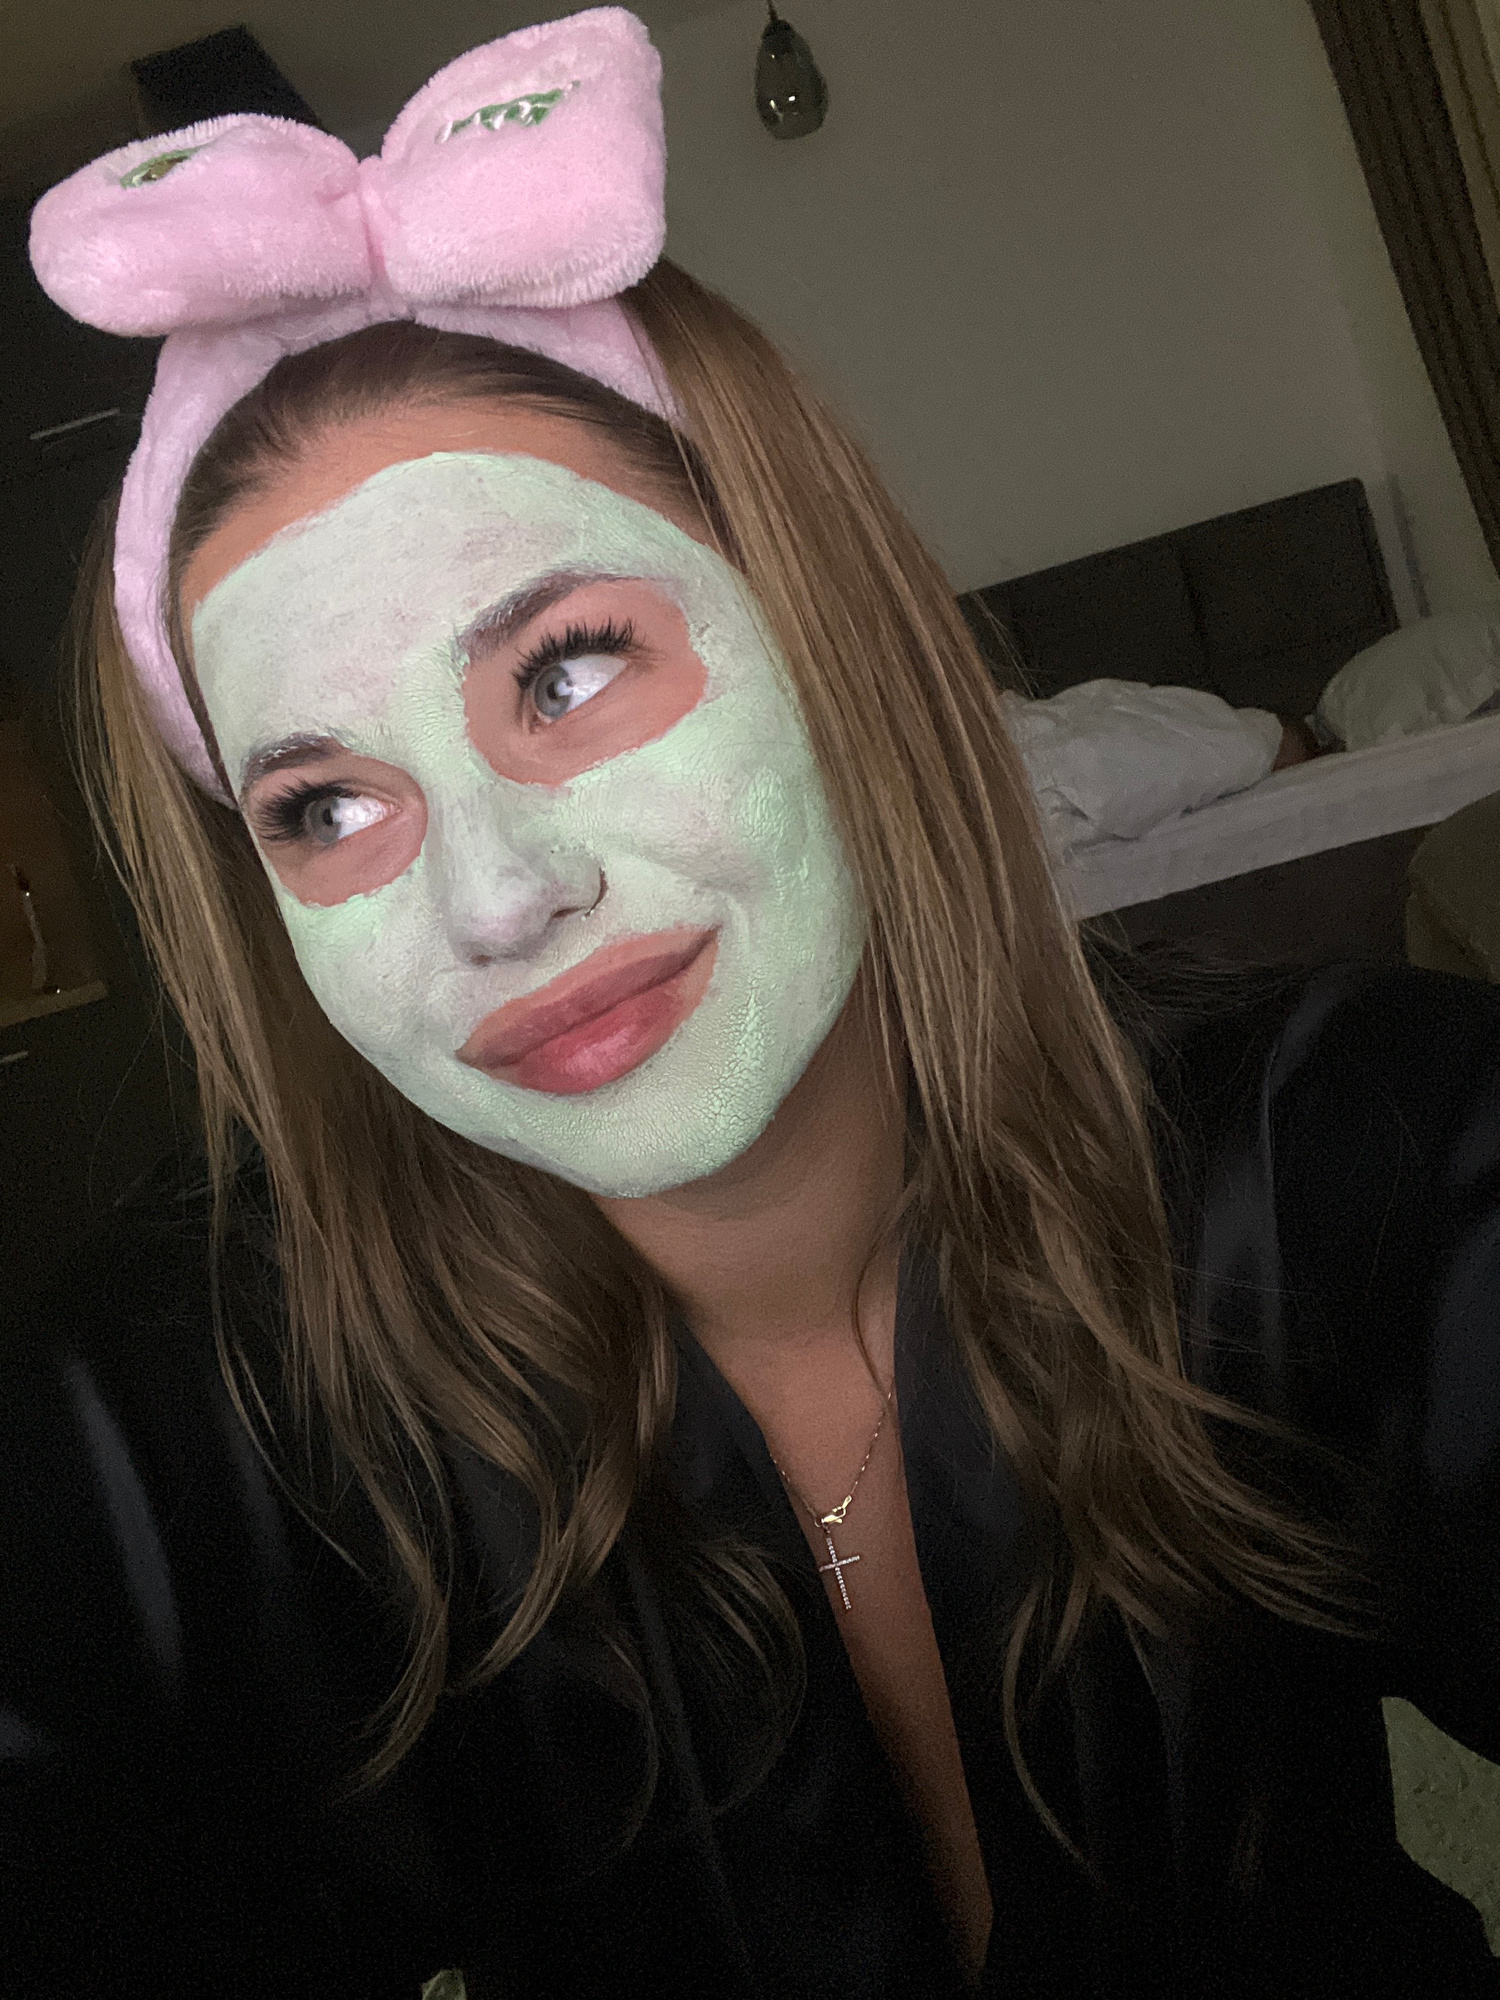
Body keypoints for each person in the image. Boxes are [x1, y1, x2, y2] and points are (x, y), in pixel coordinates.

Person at [5, 11, 1500, 1997]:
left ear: (827, 635)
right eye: (327, 806)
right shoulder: (185, 1423)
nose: (498, 898)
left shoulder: (1354, 1151)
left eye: (566, 671)